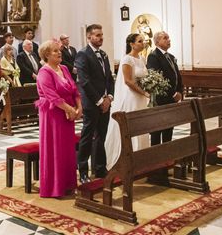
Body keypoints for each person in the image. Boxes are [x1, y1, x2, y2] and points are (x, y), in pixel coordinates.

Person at [36, 39, 82, 198]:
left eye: (59, 50)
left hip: (67, 115)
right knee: (55, 149)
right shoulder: (44, 72)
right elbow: (51, 95)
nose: (59, 52)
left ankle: (68, 184)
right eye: (55, 51)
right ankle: (54, 187)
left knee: (67, 150)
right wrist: (70, 109)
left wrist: (79, 107)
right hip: (53, 115)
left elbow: (74, 89)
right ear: (47, 55)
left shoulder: (63, 68)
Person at [104, 34, 151, 170]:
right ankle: (128, 157)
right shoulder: (127, 59)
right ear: (131, 44)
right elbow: (128, 81)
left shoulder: (141, 58)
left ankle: (141, 156)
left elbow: (144, 78)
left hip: (141, 97)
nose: (143, 44)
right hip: (132, 96)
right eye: (140, 41)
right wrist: (142, 92)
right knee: (131, 126)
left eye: (143, 41)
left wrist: (149, 88)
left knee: (142, 125)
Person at [76, 24, 114, 183]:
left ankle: (100, 168)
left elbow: (109, 78)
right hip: (92, 103)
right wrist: (99, 101)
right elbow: (84, 82)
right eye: (97, 35)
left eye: (102, 35)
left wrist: (109, 97)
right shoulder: (83, 54)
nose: (101, 38)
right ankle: (83, 171)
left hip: (105, 102)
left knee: (101, 136)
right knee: (87, 136)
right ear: (89, 37)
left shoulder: (104, 54)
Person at [146, 31, 184, 145]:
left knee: (169, 127)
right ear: (157, 42)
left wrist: (180, 92)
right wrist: (173, 93)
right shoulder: (153, 56)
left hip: (171, 99)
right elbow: (157, 79)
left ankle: (167, 154)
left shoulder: (171, 57)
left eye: (169, 38)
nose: (169, 40)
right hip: (160, 98)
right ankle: (156, 156)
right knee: (157, 128)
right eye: (165, 38)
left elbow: (178, 77)